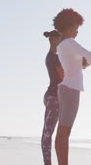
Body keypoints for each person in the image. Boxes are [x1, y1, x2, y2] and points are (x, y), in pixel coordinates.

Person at [54, 8, 91, 165]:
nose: (77, 32)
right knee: (65, 132)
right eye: (76, 28)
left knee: (61, 133)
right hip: (71, 90)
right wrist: (86, 63)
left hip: (64, 89)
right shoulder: (70, 43)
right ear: (69, 26)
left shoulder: (61, 45)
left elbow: (76, 61)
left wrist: (81, 63)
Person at [41, 30, 63, 165]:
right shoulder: (54, 57)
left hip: (52, 96)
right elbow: (63, 76)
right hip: (54, 97)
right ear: (53, 40)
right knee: (47, 134)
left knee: (47, 133)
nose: (61, 42)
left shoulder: (52, 56)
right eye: (60, 39)